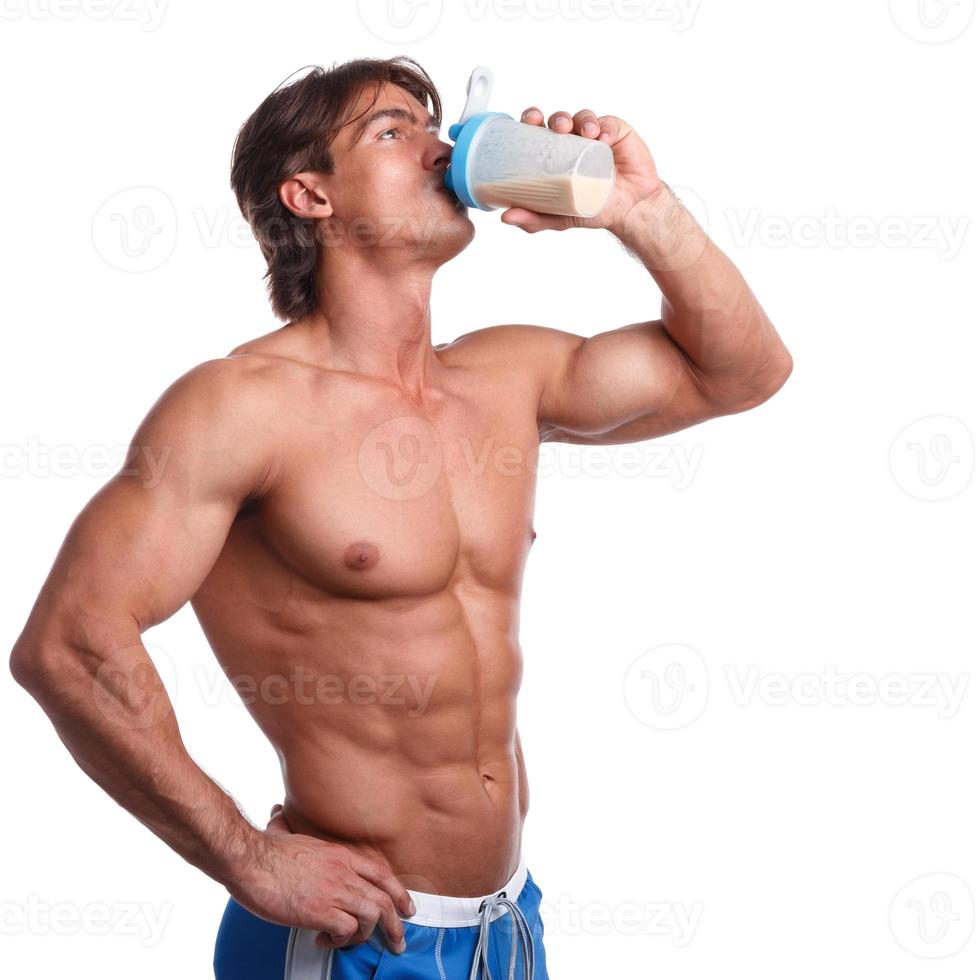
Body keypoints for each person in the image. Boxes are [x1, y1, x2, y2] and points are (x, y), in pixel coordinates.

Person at [9, 56, 793, 979]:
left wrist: (641, 209)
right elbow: (69, 645)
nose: (442, 145)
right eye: (393, 131)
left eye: (436, 123)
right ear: (309, 196)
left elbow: (742, 372)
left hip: (508, 929)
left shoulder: (505, 377)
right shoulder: (240, 406)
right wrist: (248, 858)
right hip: (353, 940)